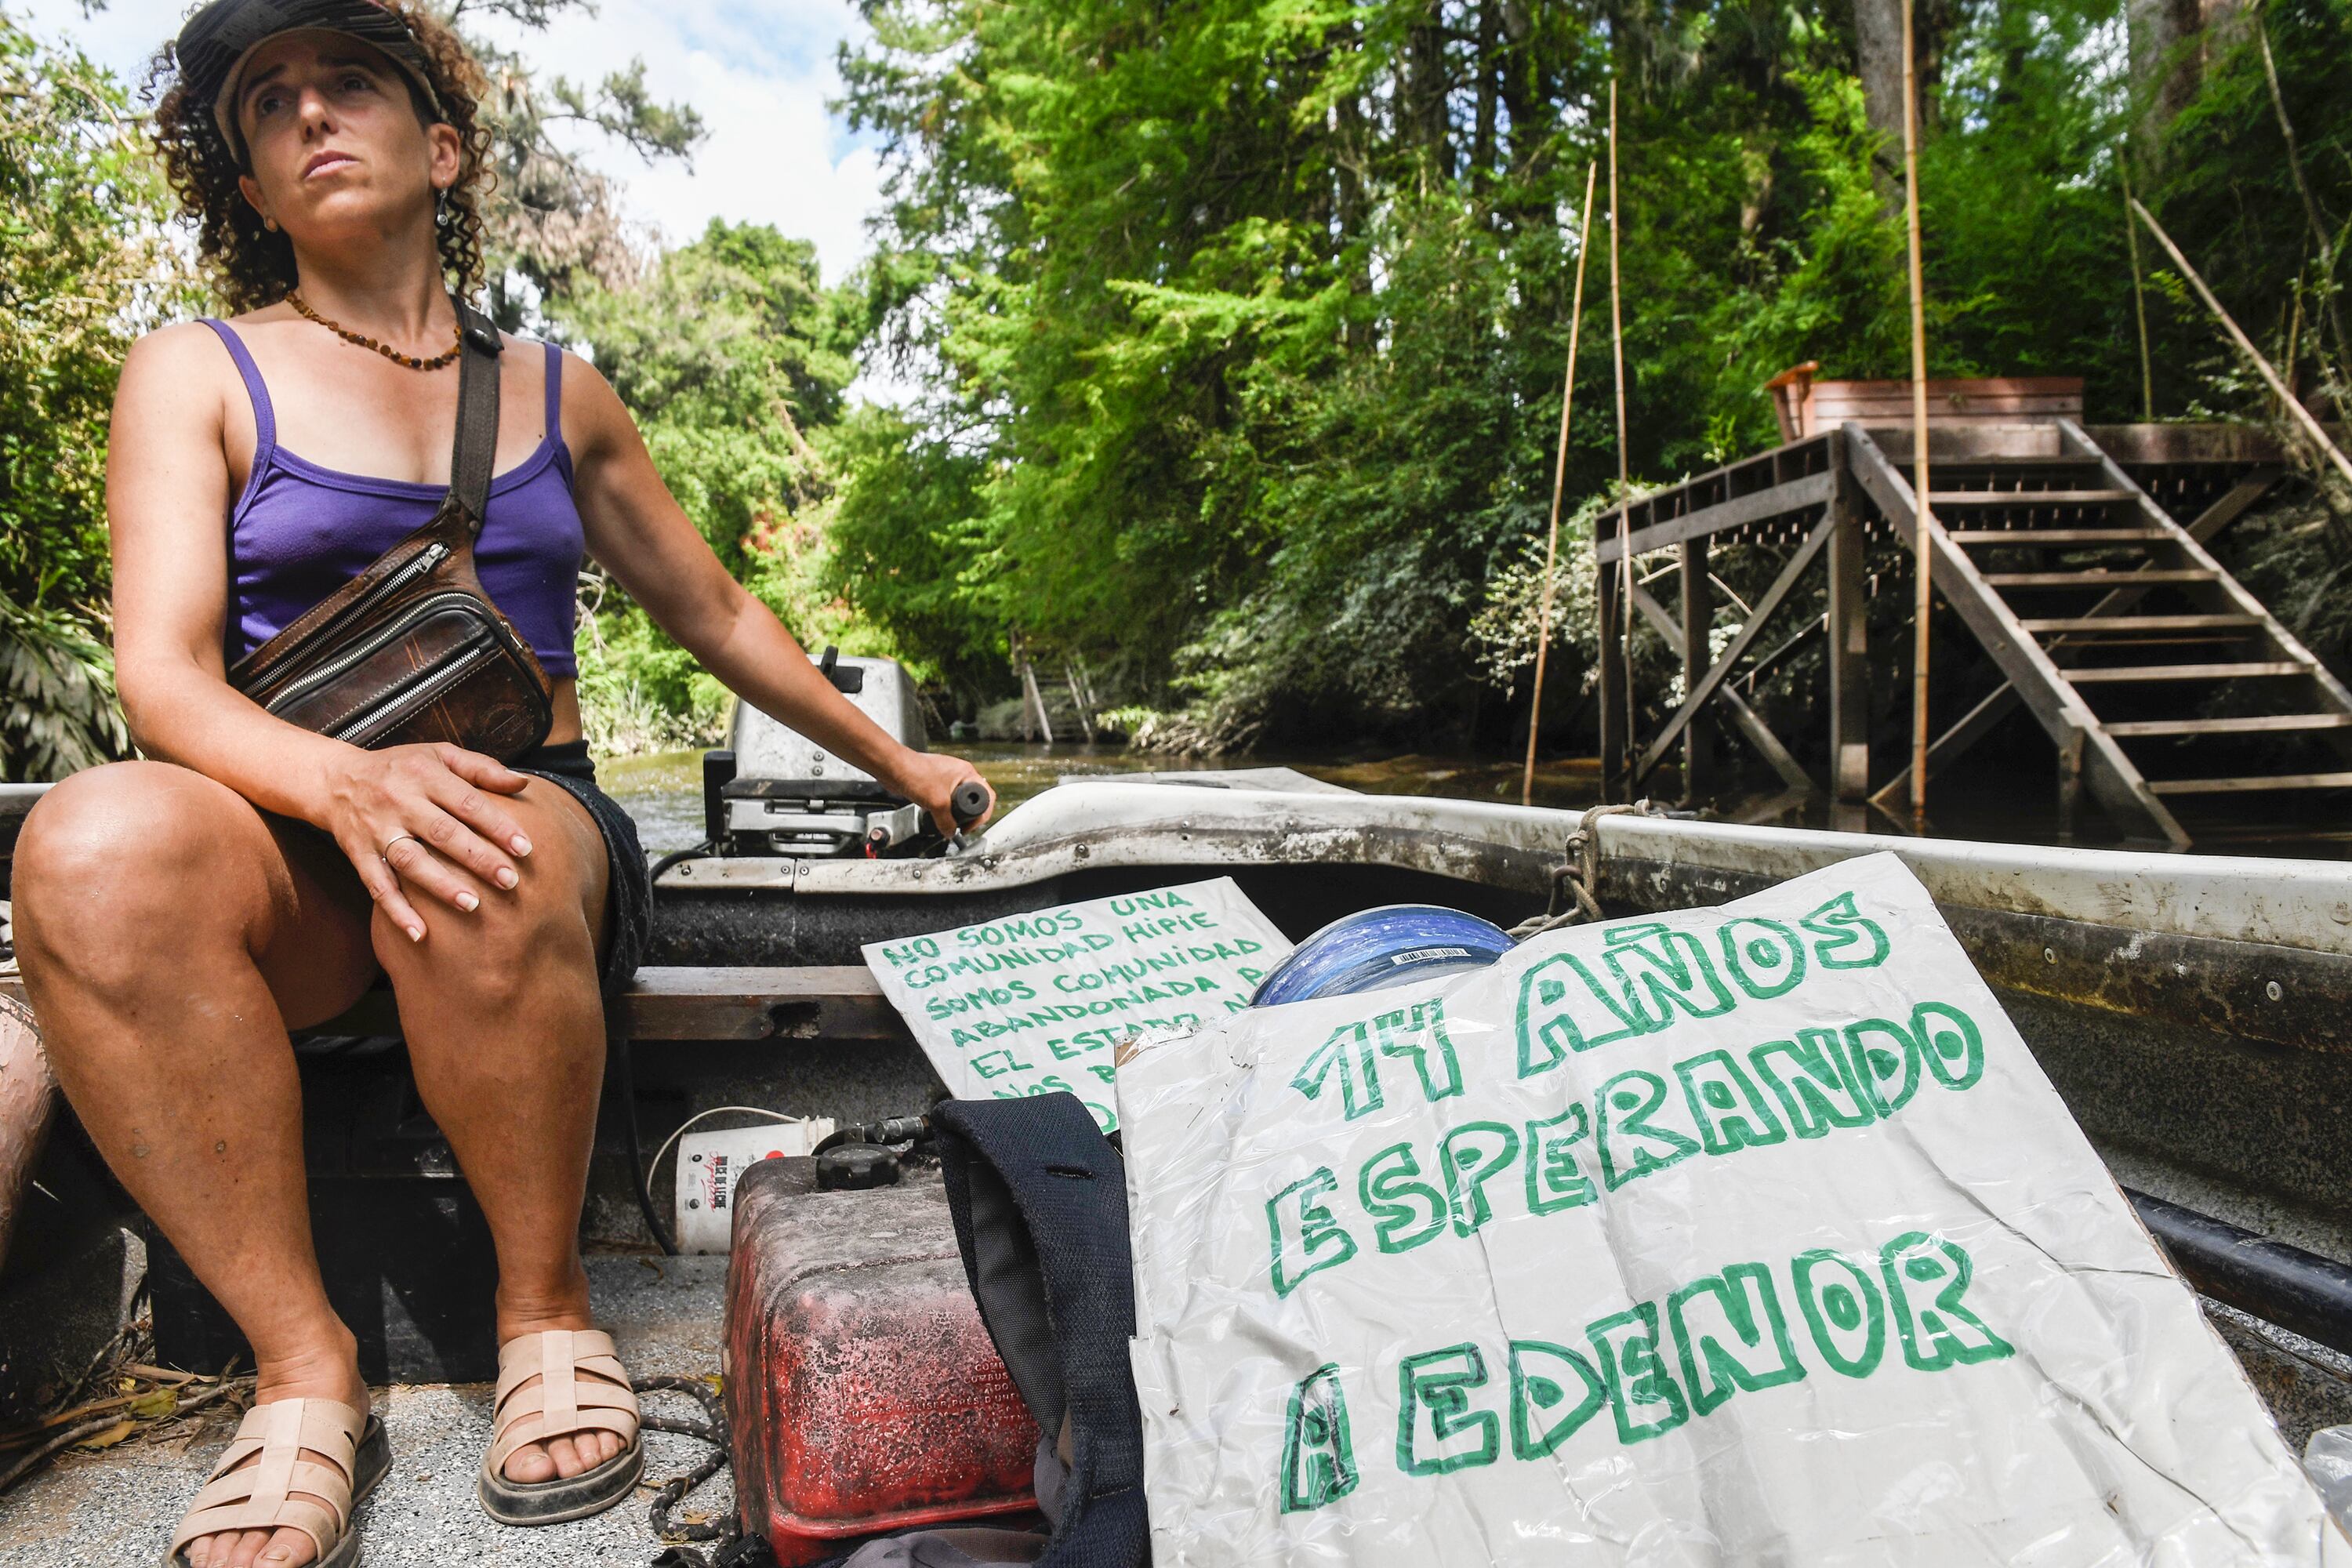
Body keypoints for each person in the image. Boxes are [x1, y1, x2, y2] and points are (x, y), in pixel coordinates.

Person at [5, 2, 992, 1563]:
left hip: (527, 824)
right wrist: (344, 790)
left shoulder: (558, 391)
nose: (310, 114)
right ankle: (303, 1367)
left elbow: (717, 612)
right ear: (251, 187)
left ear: (441, 145)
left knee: (484, 826)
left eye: (349, 85)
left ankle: (544, 1312)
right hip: (296, 843)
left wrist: (900, 760)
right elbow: (165, 681)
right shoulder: (189, 373)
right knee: (87, 840)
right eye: (268, 104)